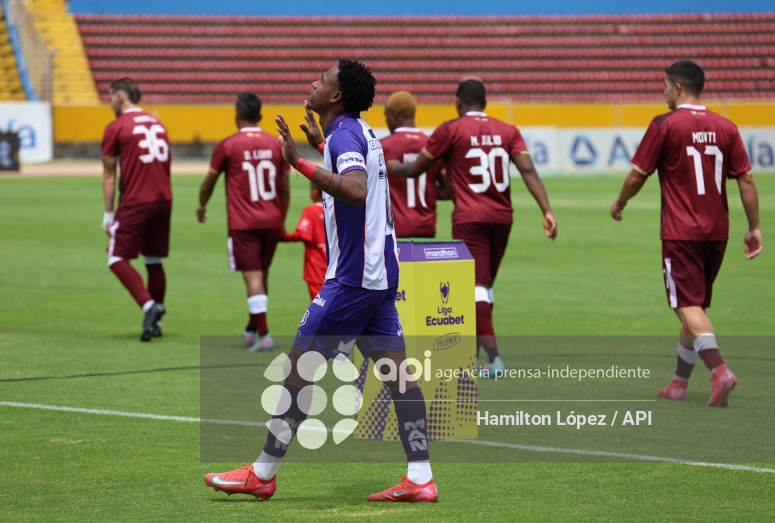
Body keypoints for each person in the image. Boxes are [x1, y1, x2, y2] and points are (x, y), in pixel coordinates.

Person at [204, 60, 437, 503]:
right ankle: (421, 476)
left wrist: (298, 163)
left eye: (322, 79)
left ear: (336, 96)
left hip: (353, 278)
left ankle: (263, 472)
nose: (313, 81)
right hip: (380, 273)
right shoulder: (355, 132)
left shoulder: (347, 134)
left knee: (298, 368)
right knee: (398, 377)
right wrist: (320, 143)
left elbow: (355, 189)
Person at [610, 60, 762, 407]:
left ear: (677, 88)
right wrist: (753, 227)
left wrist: (619, 202)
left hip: (681, 232)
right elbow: (747, 179)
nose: (662, 92)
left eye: (664, 86)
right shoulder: (726, 127)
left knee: (686, 305)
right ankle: (678, 384)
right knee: (695, 308)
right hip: (717, 233)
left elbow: (637, 175)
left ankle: (719, 370)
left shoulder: (665, 124)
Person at [387, 79, 557, 378]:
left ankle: (493, 360)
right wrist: (546, 210)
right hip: (503, 217)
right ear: (486, 103)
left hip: (470, 218)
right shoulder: (509, 131)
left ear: (457, 102)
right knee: (485, 287)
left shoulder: (450, 129)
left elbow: (415, 170)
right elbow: (528, 169)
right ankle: (476, 357)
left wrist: (391, 166)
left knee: (475, 288)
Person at [197, 93, 290, 352]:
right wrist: (281, 219)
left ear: (236, 114)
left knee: (252, 277)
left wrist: (202, 205)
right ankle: (252, 326)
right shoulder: (275, 144)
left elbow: (209, 182)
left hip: (243, 224)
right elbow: (285, 189)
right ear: (260, 116)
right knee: (262, 274)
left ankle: (264, 333)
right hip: (272, 219)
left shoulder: (227, 146)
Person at [101, 78, 171, 342]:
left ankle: (149, 306)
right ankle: (158, 323)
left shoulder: (116, 127)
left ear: (120, 97)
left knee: (116, 258)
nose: (109, 104)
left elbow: (109, 174)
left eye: (109, 98)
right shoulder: (158, 123)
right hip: (164, 199)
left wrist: (109, 215)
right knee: (154, 260)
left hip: (136, 200)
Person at [381, 91, 449, 238]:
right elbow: (447, 191)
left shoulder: (382, 147)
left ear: (395, 114)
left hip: (394, 230)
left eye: (386, 115)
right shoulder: (431, 146)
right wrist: (426, 191)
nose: (386, 121)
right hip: (427, 228)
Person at [281, 182, 326, 300]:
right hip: (335, 271)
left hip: (316, 270)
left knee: (319, 309)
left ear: (315, 192)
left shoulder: (311, 210)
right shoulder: (334, 211)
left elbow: (302, 234)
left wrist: (283, 238)